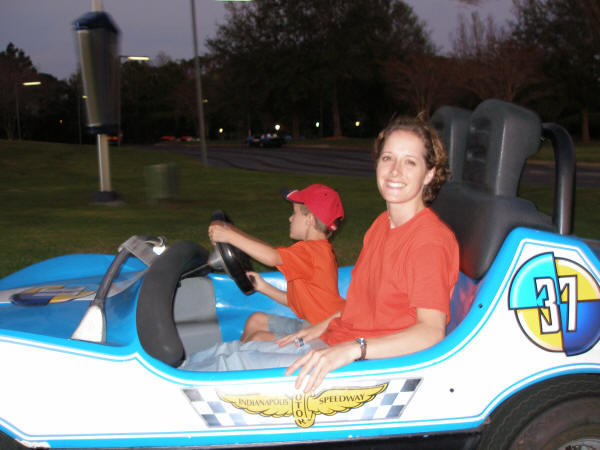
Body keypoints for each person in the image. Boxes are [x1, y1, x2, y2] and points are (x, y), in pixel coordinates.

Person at [184, 116, 459, 394]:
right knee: (229, 351)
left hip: (366, 365)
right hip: (336, 341)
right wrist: (320, 328)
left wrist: (354, 349)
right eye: (388, 158)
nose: (395, 171)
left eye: (410, 162)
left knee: (229, 366)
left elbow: (431, 331)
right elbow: (361, 304)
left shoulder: (429, 241)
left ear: (429, 174)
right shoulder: (381, 225)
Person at [208, 184, 346, 342]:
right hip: (312, 326)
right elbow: (296, 302)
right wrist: (263, 287)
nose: (290, 218)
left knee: (258, 338)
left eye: (294, 213)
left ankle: (237, 356)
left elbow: (272, 257)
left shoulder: (312, 252)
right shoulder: (314, 253)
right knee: (256, 321)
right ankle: (237, 356)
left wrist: (229, 236)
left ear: (309, 220)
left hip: (327, 337)